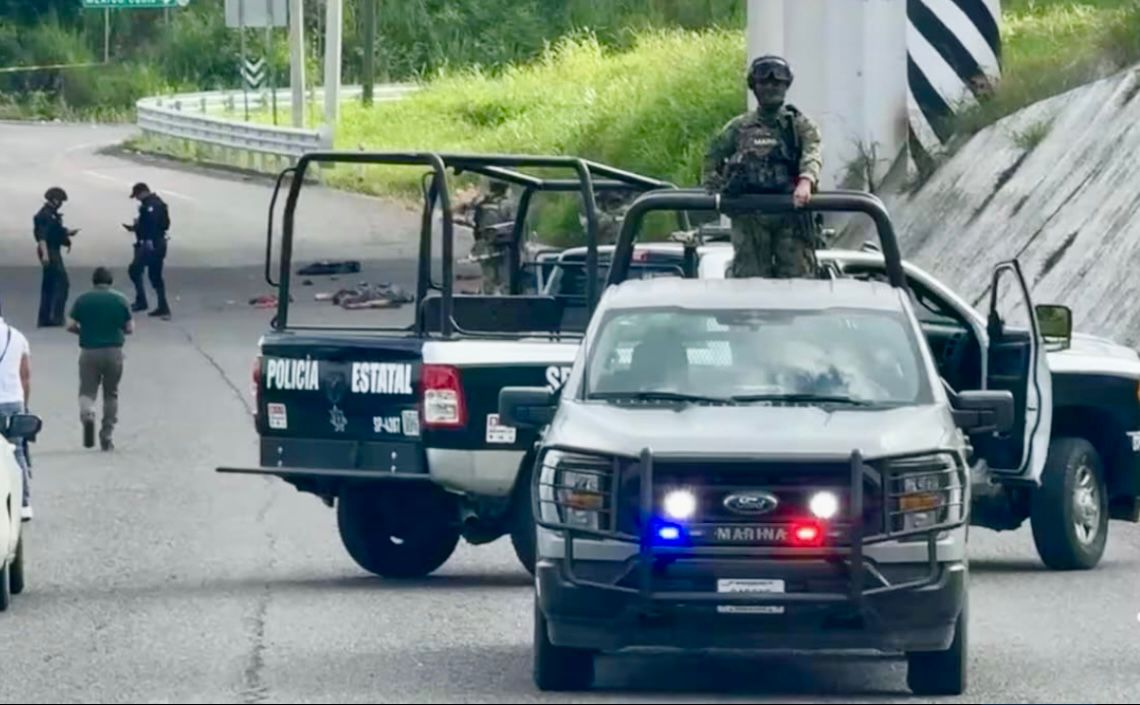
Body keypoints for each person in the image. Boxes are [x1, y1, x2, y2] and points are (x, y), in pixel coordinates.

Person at [701, 55, 824, 279]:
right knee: (750, 282)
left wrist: (806, 182)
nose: (770, 87)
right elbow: (711, 158)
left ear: (786, 85)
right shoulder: (739, 127)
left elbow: (812, 153)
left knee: (798, 282)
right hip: (750, 215)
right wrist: (720, 192)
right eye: (764, 82)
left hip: (792, 213)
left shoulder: (798, 126)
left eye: (777, 83)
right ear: (754, 86)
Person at [67, 267, 133, 451]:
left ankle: (88, 422)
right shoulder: (120, 299)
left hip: (89, 351)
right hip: (114, 352)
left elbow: (70, 325)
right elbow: (130, 328)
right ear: (110, 281)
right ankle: (107, 434)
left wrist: (83, 332)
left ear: (93, 281)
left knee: (87, 391)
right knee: (111, 393)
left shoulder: (83, 300)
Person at [0, 298, 33, 520]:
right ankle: (23, 504)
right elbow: (25, 375)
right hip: (13, 400)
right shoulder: (17, 336)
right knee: (17, 451)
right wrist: (24, 404)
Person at [124, 182, 172, 319]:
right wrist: (136, 227)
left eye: (137, 195)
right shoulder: (155, 203)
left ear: (143, 192)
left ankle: (145, 302)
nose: (137, 198)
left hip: (151, 244)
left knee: (137, 270)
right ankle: (160, 305)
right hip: (156, 243)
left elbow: (153, 225)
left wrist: (148, 240)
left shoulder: (152, 205)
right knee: (152, 274)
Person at [33, 186, 79, 328]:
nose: (61, 204)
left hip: (53, 249)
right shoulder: (45, 215)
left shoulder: (51, 214)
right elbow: (42, 237)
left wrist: (67, 232)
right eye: (60, 201)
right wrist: (45, 255)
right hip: (49, 250)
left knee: (49, 284)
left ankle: (46, 317)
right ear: (54, 199)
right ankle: (55, 317)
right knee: (62, 283)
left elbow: (55, 230)